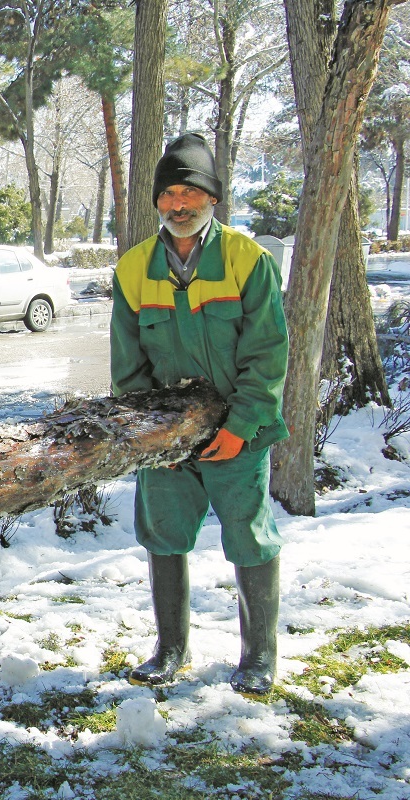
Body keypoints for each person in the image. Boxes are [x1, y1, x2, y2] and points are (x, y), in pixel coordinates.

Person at [110, 132, 289, 698]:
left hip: (237, 430)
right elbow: (127, 363)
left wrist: (240, 428)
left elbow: (267, 353)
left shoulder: (245, 260)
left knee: (249, 537)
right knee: (163, 535)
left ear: (212, 198)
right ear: (158, 202)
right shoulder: (134, 268)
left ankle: (258, 657)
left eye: (190, 192)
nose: (178, 205)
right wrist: (148, 436)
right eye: (168, 194)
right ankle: (170, 649)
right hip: (166, 436)